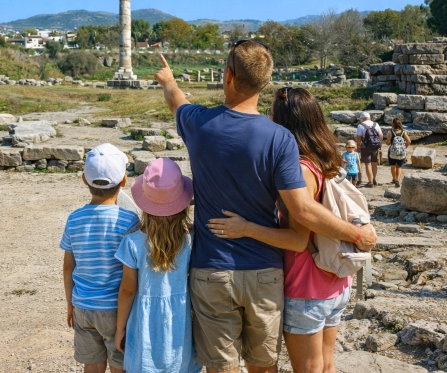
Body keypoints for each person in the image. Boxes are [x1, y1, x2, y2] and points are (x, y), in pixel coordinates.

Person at [154, 45, 377, 373]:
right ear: (265, 82)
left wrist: (169, 81)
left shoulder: (199, 123)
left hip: (212, 268)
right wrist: (358, 234)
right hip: (265, 272)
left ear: (228, 76)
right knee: (264, 366)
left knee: (221, 367)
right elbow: (301, 210)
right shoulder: (281, 138)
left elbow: (177, 102)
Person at [208, 87, 354, 373]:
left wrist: (246, 228)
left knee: (310, 368)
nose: (267, 120)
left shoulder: (299, 170)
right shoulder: (323, 160)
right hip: (333, 280)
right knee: (326, 366)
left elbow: (299, 240)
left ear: (285, 124)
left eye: (271, 115)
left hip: (306, 285)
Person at [114, 158, 202, 373]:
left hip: (144, 320)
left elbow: (127, 289)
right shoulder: (192, 239)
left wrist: (119, 328)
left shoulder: (133, 241)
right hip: (181, 318)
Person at [60, 143, 140, 373]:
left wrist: (70, 304)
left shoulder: (74, 219)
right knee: (119, 363)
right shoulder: (130, 221)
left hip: (83, 306)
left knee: (92, 365)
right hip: (116, 309)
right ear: (124, 180)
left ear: (84, 179)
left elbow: (68, 266)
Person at [356, 111, 382, 187]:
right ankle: (374, 179)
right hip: (375, 147)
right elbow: (381, 135)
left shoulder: (360, 126)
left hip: (365, 147)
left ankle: (370, 182)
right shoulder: (376, 124)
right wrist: (378, 144)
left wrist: (358, 147)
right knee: (374, 163)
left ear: (362, 119)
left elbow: (358, 138)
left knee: (368, 164)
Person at [386, 117, 411, 188]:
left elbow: (388, 143)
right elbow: (409, 141)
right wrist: (404, 147)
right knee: (399, 167)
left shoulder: (390, 132)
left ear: (393, 124)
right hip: (401, 152)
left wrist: (388, 141)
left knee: (393, 166)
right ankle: (398, 179)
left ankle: (394, 179)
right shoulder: (404, 132)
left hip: (392, 152)